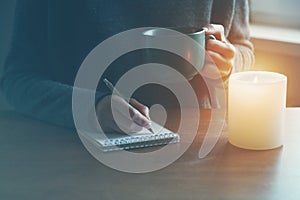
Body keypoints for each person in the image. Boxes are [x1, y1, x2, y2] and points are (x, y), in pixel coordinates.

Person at [0, 0, 254, 133]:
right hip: (75, 157)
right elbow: (17, 79)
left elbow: (242, 48)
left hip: (198, 153)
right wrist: (93, 107)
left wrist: (229, 65)